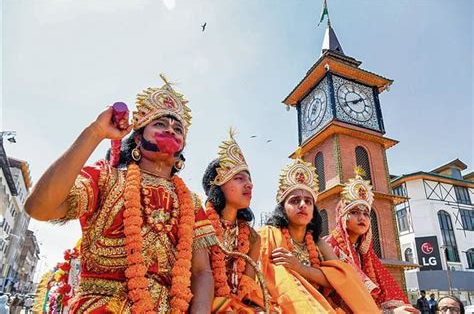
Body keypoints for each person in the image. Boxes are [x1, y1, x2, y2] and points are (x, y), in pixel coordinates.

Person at [25, 75, 216, 313]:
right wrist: (95, 132)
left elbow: (201, 272)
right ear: (137, 138)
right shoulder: (107, 178)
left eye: (177, 128)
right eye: (159, 124)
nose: (169, 129)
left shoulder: (191, 202)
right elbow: (39, 208)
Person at [259, 156, 380, 313]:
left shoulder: (318, 243)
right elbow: (259, 278)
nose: (303, 205)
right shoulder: (267, 235)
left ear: (313, 211)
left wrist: (299, 267)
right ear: (282, 208)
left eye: (308, 202)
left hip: (321, 306)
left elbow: (340, 278)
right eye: (295, 201)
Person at [325, 168, 417, 313]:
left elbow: (385, 292)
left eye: (366, 214)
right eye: (354, 212)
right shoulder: (330, 246)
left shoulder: (366, 253)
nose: (362, 218)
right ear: (342, 218)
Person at [202, 130, 268, 313]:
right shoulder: (199, 224)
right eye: (239, 178)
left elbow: (247, 288)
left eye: (249, 179)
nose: (249, 184)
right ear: (217, 185)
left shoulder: (253, 238)